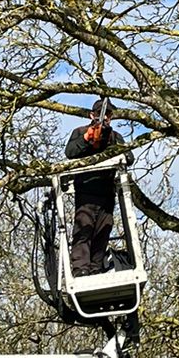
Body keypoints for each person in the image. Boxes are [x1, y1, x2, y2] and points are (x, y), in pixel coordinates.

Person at [64, 99, 124, 277]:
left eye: (107, 115)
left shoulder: (115, 137)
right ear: (92, 115)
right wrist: (86, 139)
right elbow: (70, 153)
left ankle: (96, 268)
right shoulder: (80, 132)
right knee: (84, 229)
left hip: (107, 193)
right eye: (99, 114)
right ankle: (81, 268)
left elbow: (128, 156)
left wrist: (111, 148)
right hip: (86, 192)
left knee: (103, 230)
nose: (103, 118)